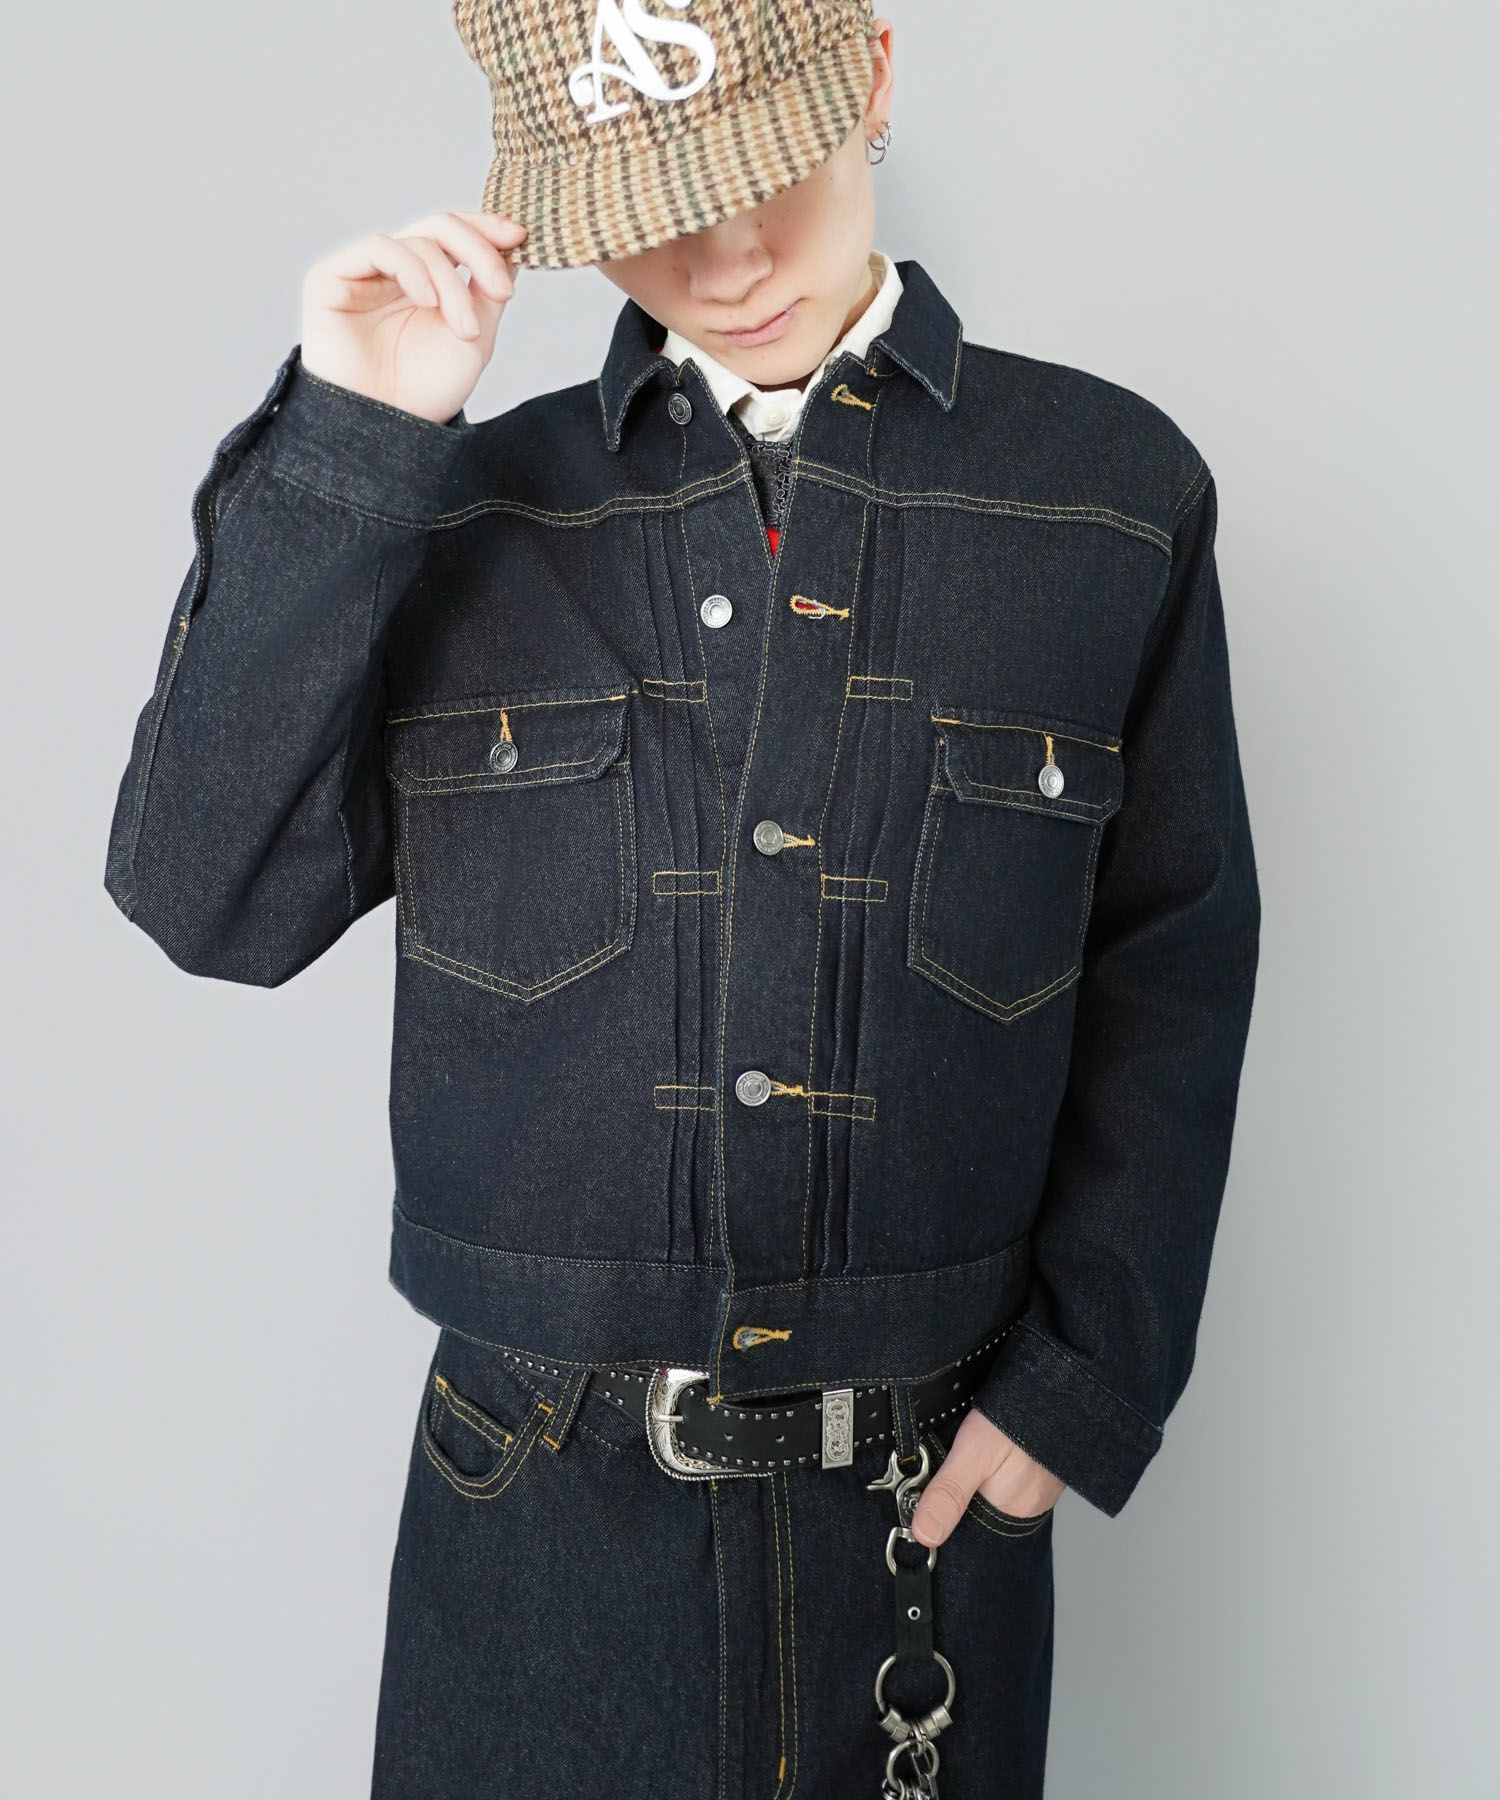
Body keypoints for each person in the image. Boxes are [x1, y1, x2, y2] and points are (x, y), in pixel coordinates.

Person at [102, 3, 1261, 1794]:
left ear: (872, 81)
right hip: (535, 1522)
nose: (726, 262)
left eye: (764, 178)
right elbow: (209, 898)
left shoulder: (1113, 495)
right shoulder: (457, 507)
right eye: (653, 209)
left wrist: (1077, 1393)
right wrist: (351, 444)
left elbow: (1171, 963)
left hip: (924, 1517)